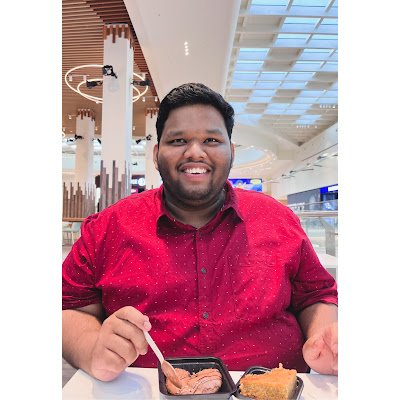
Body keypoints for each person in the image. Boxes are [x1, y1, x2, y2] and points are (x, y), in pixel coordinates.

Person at [62, 83, 338, 382]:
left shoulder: (276, 219)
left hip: (271, 389)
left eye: (211, 140)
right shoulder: (108, 227)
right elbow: (69, 307)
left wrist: (324, 338)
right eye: (178, 140)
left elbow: (316, 295)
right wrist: (91, 348)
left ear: (231, 152)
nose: (195, 152)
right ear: (156, 153)